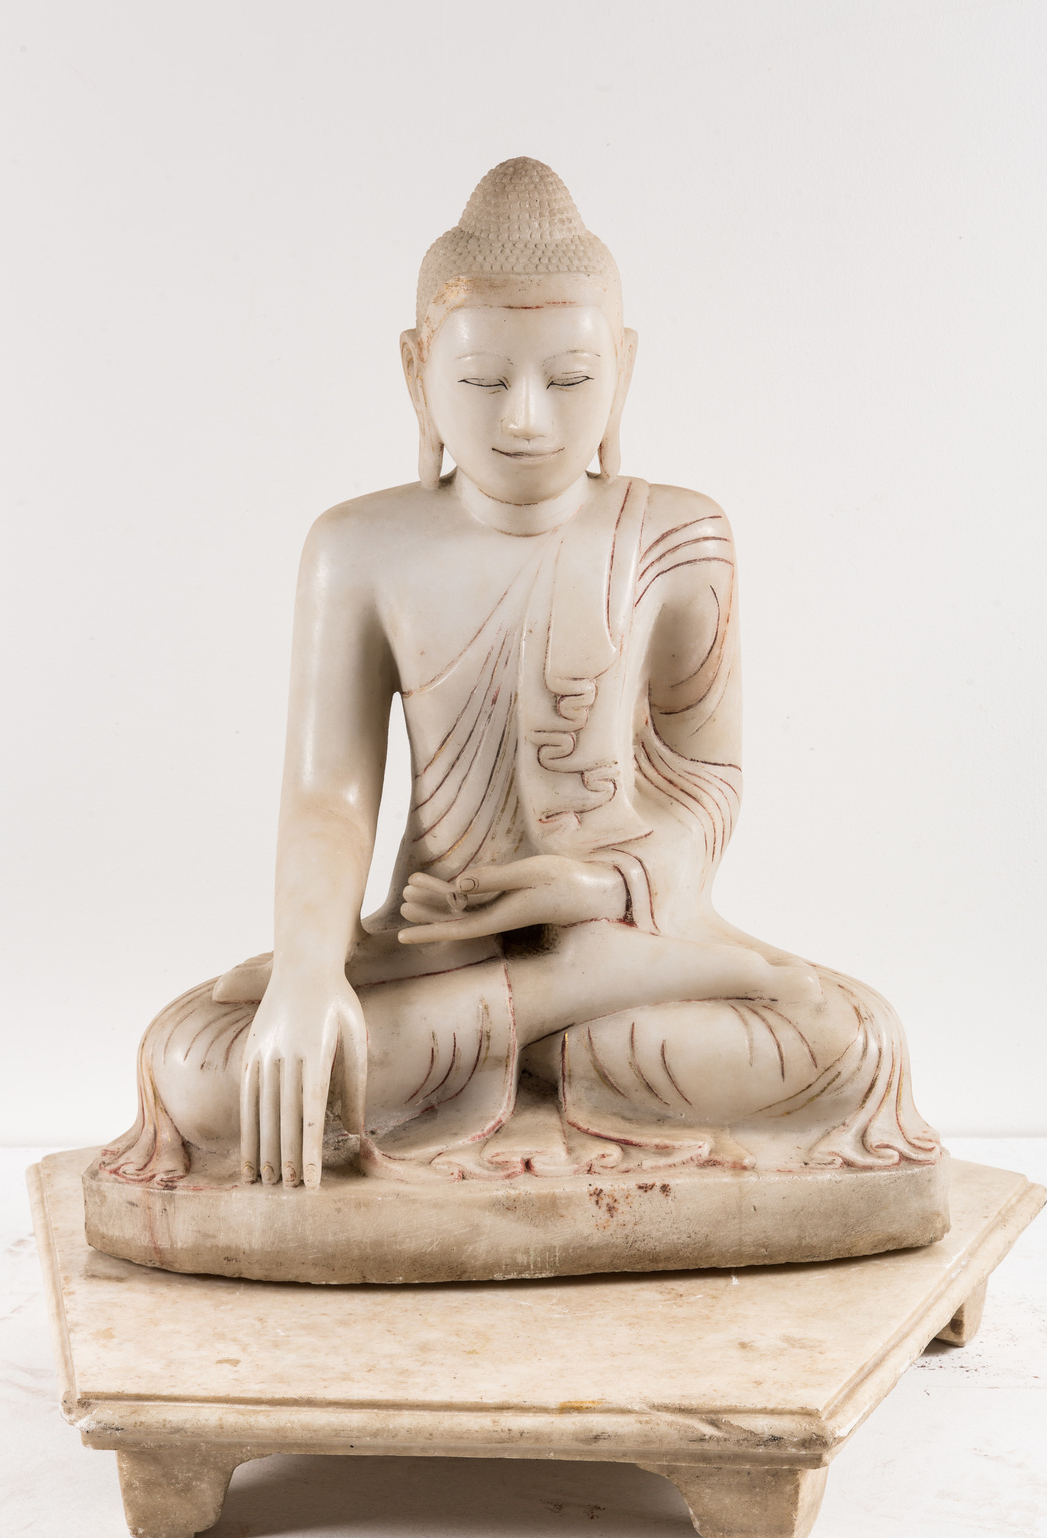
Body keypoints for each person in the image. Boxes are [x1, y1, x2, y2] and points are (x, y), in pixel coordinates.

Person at [103, 158, 939, 1193]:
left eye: (570, 379)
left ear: (623, 369)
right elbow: (328, 794)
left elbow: (706, 781)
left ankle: (574, 990)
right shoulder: (357, 547)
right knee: (195, 1067)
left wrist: (598, 885)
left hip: (628, 938)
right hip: (436, 951)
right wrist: (310, 973)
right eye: (483, 381)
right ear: (415, 372)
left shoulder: (677, 536)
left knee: (851, 1040)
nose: (526, 419)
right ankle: (563, 998)